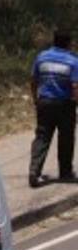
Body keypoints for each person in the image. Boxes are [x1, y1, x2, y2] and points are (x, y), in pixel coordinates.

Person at [28, 30, 78, 188]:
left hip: (44, 102)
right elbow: (75, 86)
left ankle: (34, 171)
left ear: (54, 41)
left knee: (42, 136)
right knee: (66, 138)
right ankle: (65, 172)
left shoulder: (41, 56)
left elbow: (33, 79)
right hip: (65, 104)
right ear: (68, 43)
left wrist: (36, 99)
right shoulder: (73, 61)